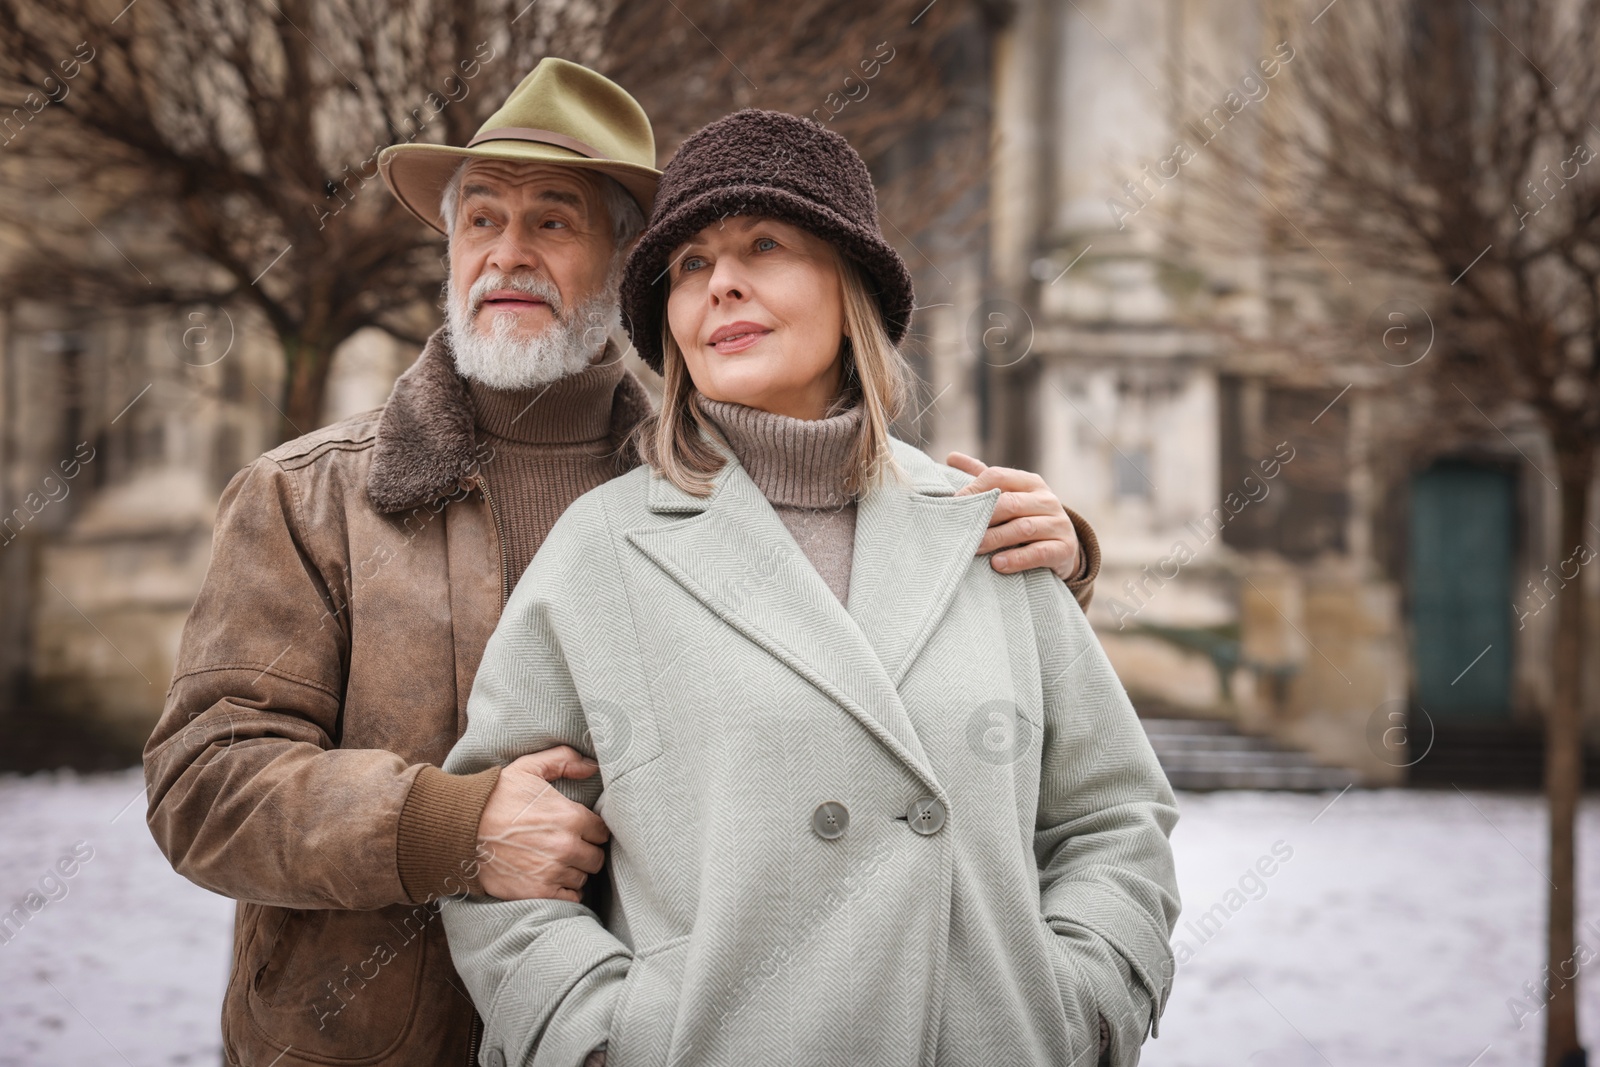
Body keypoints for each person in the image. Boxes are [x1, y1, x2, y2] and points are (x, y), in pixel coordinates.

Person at [141, 63, 1104, 1067]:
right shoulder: (308, 494)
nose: (505, 255)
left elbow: (874, 659)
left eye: (551, 223)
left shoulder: (713, 484)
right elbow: (202, 785)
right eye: (479, 222)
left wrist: (1045, 557)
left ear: (623, 260)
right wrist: (448, 823)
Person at [440, 110, 1179, 1067]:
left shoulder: (983, 528)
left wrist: (1078, 1010)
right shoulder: (601, 550)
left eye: (765, 244)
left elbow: (1113, 818)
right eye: (692, 265)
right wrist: (606, 1042)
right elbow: (503, 862)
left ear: (851, 287)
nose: (724, 283)